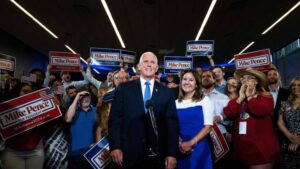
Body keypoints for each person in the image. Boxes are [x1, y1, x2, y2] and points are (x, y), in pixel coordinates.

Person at [108, 52, 179, 169]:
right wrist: (115, 146)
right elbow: (115, 120)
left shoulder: (167, 93)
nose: (149, 65)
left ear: (156, 68)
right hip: (128, 153)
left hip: (158, 156)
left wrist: (172, 154)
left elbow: (172, 125)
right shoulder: (124, 89)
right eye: (145, 61)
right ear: (139, 67)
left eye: (152, 62)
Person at [223, 68, 280, 169]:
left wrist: (249, 97)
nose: (245, 80)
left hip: (261, 149)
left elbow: (261, 110)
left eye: (249, 78)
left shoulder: (265, 96)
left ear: (256, 81)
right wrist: (240, 97)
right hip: (242, 149)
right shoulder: (238, 99)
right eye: (243, 78)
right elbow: (228, 113)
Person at [1, 83, 45, 169]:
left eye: (31, 92)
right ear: (17, 92)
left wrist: (55, 104)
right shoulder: (6, 107)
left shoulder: (40, 106)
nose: (28, 94)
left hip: (35, 150)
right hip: (13, 151)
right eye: (25, 91)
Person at [176, 70, 213, 169]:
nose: (187, 82)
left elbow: (208, 126)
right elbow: (172, 125)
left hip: (199, 147)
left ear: (196, 84)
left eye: (191, 80)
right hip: (181, 148)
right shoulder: (175, 103)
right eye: (184, 79)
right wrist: (179, 142)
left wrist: (191, 143)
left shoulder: (204, 100)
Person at [64, 90, 98, 169]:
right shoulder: (73, 111)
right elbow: (68, 119)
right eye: (82, 97)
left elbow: (99, 129)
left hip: (91, 152)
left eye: (87, 96)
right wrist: (77, 96)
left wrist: (97, 143)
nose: (85, 99)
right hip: (74, 153)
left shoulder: (96, 111)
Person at [277, 76, 300, 169]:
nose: (296, 87)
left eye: (299, 85)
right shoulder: (285, 103)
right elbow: (280, 122)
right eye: (293, 85)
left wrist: (298, 141)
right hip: (287, 142)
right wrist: (291, 138)